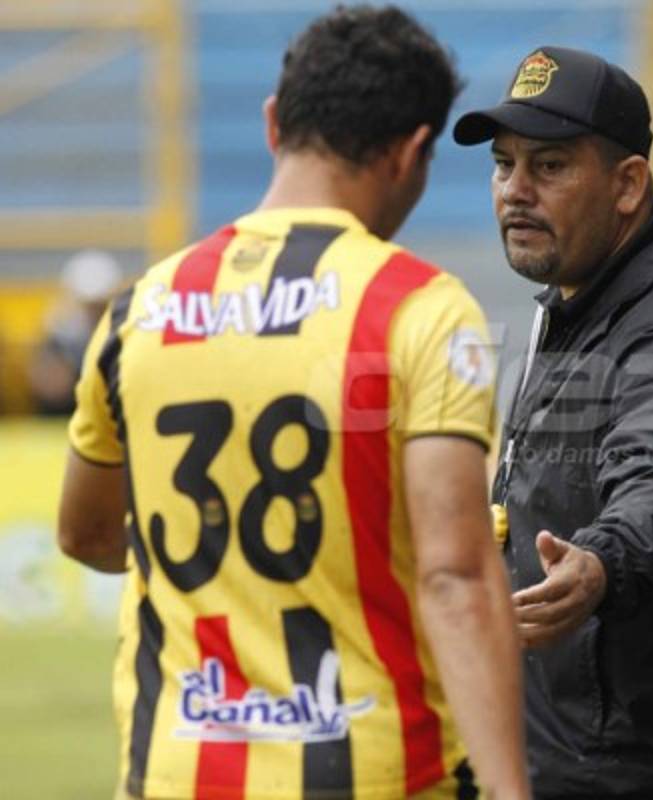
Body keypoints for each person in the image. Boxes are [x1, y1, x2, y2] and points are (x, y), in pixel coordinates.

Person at [56, 7, 529, 800]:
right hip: (380, 773)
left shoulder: (140, 309)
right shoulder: (421, 308)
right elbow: (453, 576)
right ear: (412, 152)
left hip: (176, 774)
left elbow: (86, 534)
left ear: (274, 123)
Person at [453, 46, 653, 798]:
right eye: (504, 165)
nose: (515, 191)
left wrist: (603, 562)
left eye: (549, 166)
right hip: (566, 757)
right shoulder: (578, 300)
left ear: (629, 184)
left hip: (635, 771)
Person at [28, 249, 123, 415]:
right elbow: (51, 389)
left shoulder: (121, 329)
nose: (94, 310)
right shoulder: (60, 332)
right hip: (67, 414)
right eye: (89, 304)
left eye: (98, 304)